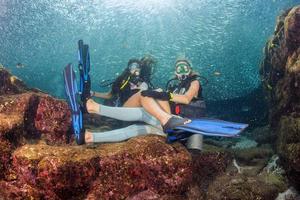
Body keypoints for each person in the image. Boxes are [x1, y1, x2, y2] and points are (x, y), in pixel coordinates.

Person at [84, 58, 206, 151]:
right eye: (179, 68)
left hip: (181, 126)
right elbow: (111, 94)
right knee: (136, 126)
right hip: (171, 128)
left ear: (190, 69)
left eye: (184, 67)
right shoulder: (174, 87)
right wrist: (160, 95)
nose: (182, 71)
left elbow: (185, 99)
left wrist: (163, 95)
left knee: (143, 113)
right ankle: (91, 136)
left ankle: (94, 115)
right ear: (175, 72)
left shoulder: (194, 82)